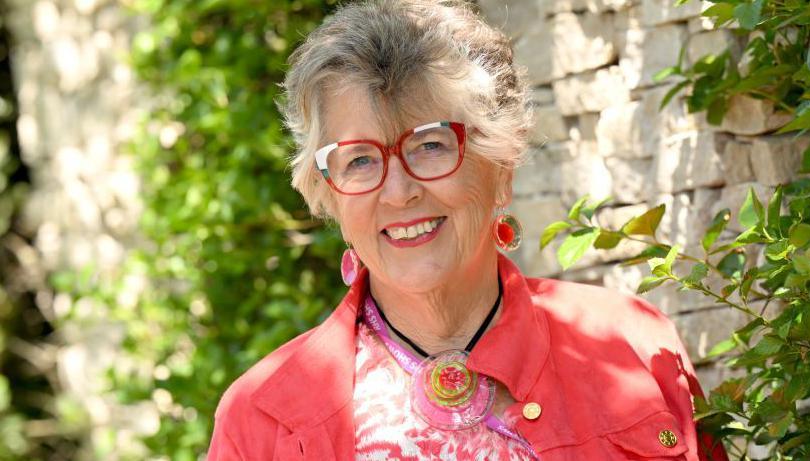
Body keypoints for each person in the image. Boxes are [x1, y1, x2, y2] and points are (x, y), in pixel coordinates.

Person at [206, 1, 728, 459]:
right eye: (360, 160)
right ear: (328, 193)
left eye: (430, 145)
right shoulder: (260, 418)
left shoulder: (634, 343)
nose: (398, 191)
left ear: (500, 163)